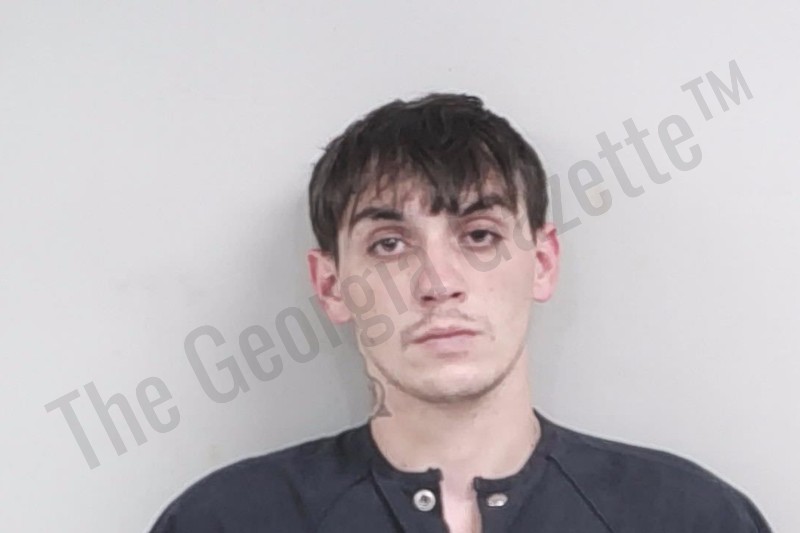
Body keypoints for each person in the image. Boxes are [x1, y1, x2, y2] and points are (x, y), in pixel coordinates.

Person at [148, 93, 772, 532]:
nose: (438, 283)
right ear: (332, 285)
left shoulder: (691, 517)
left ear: (543, 262)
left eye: (479, 236)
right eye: (389, 245)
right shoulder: (225, 521)